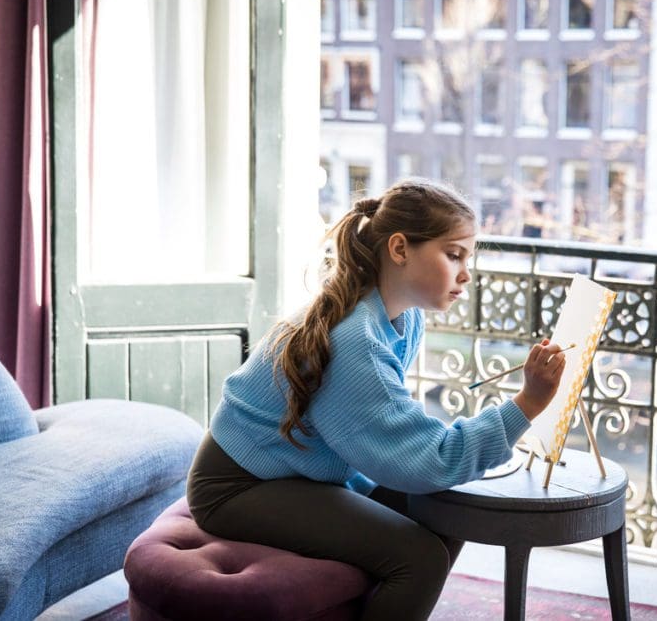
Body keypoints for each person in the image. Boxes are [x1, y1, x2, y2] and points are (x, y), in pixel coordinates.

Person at [187, 178, 568, 620]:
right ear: (400, 248)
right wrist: (528, 403)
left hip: (295, 472)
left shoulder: (403, 319)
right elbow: (430, 460)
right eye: (454, 254)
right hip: (238, 486)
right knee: (419, 556)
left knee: (452, 510)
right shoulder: (356, 341)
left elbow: (394, 435)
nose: (467, 274)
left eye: (469, 258)